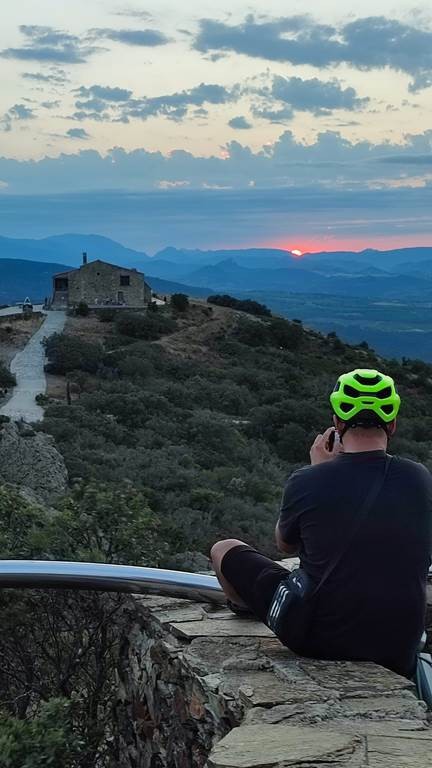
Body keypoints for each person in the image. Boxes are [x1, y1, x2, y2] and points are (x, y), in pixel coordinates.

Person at [211, 368, 432, 677]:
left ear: (337, 423)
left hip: (319, 638)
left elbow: (284, 543)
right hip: (399, 644)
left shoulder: (307, 479)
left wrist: (318, 469)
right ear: (392, 424)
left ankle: (248, 606)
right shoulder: (420, 477)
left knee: (224, 549)